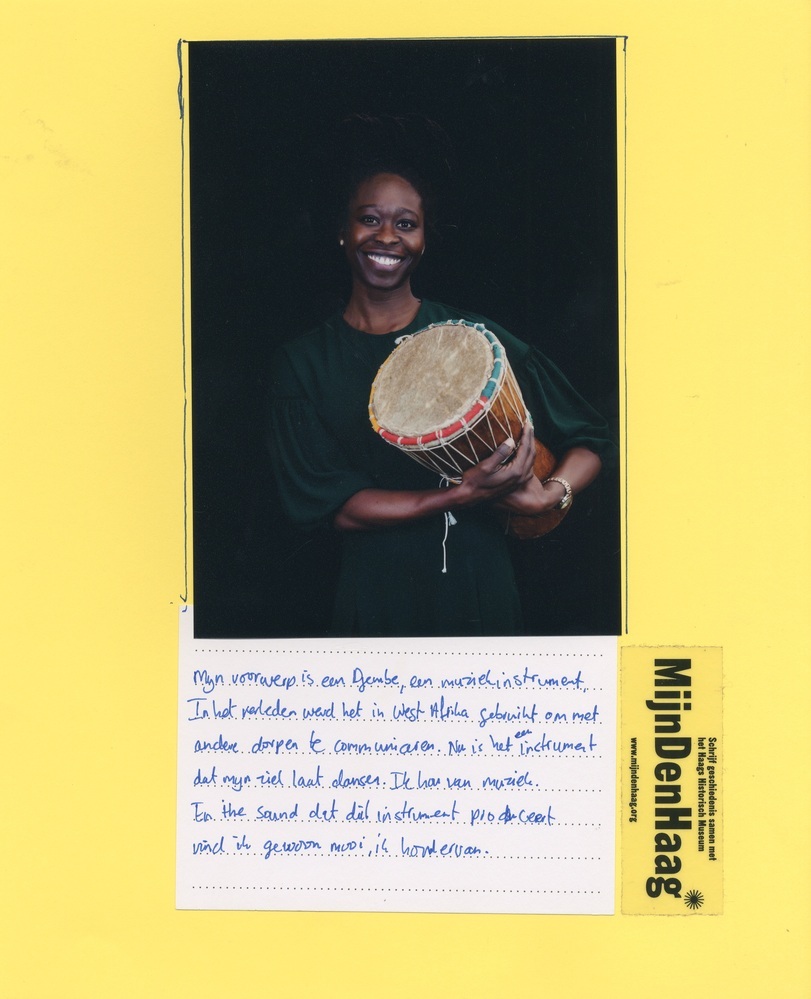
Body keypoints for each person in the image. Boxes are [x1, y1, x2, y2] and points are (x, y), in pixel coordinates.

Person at [268, 166, 615, 637]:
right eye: (369, 219)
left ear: (424, 240)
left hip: (480, 590)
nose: (386, 236)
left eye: (406, 223)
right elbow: (338, 508)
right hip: (377, 598)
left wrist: (550, 496)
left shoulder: (475, 341)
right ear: (343, 232)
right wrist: (459, 495)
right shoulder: (303, 362)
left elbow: (591, 438)